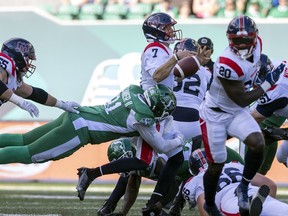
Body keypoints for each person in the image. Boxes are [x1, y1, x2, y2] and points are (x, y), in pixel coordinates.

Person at [198, 15, 285, 215]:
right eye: (238, 41)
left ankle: (244, 186)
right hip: (215, 114)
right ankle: (210, 204)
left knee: (257, 142)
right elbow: (243, 99)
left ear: (255, 38)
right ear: (229, 40)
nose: (243, 45)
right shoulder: (226, 63)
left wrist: (262, 77)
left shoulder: (259, 47)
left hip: (235, 111)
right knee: (215, 166)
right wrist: (267, 83)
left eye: (247, 40)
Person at [0, 84, 182, 177]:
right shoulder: (142, 118)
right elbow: (161, 146)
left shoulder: (134, 92)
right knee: (28, 154)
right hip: (80, 130)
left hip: (76, 115)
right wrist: (180, 139)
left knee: (24, 140)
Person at [97, 138, 245, 216]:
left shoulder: (152, 160)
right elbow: (132, 184)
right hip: (195, 164)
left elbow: (173, 183)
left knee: (212, 195)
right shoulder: (139, 161)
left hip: (213, 158)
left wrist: (158, 206)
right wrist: (123, 213)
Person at [182, 149, 287, 216]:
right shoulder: (234, 165)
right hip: (253, 192)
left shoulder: (198, 179)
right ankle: (251, 204)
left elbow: (205, 205)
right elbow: (270, 185)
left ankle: (246, 209)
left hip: (229, 200)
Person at [0, 37, 80, 118]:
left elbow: (35, 94)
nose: (28, 65)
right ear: (19, 57)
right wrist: (19, 101)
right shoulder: (2, 67)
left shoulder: (12, 77)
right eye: (27, 60)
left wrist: (63, 105)